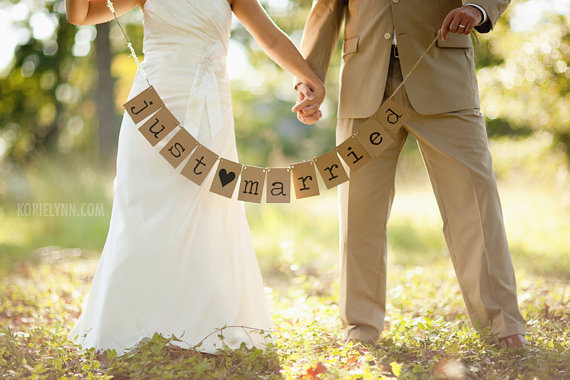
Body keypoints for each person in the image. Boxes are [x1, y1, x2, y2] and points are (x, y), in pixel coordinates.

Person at [66, 0, 324, 355]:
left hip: (209, 113)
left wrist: (307, 77)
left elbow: (272, 39)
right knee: (145, 210)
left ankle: (204, 324)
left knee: (207, 211)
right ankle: (134, 323)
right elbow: (79, 15)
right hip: (153, 112)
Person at [293, 0, 528, 348]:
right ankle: (360, 327)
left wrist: (479, 8)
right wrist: (309, 79)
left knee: (476, 207)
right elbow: (326, 9)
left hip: (443, 71)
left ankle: (503, 324)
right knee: (359, 214)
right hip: (364, 81)